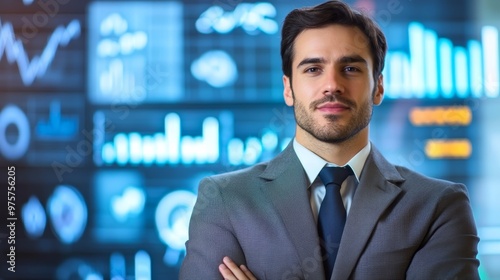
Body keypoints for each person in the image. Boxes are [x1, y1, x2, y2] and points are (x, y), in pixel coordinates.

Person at [179, 1, 480, 279]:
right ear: (288, 89)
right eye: (313, 69)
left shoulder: (437, 206)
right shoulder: (225, 200)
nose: (332, 85)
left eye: (350, 68)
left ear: (378, 87)